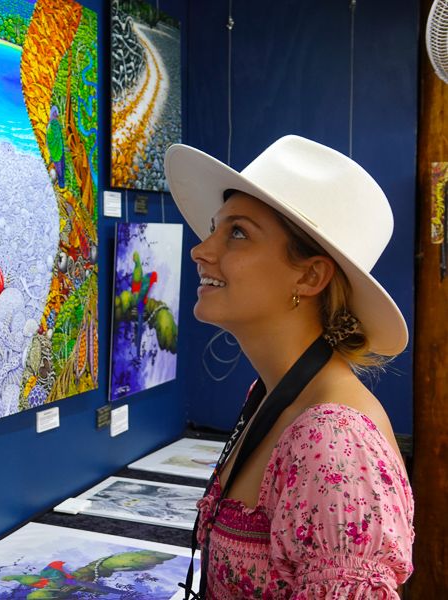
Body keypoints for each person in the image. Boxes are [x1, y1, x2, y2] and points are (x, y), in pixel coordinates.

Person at [163, 135, 414, 598]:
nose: (202, 249)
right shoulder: (272, 395)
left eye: (237, 232)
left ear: (310, 275)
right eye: (216, 228)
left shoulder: (334, 442)